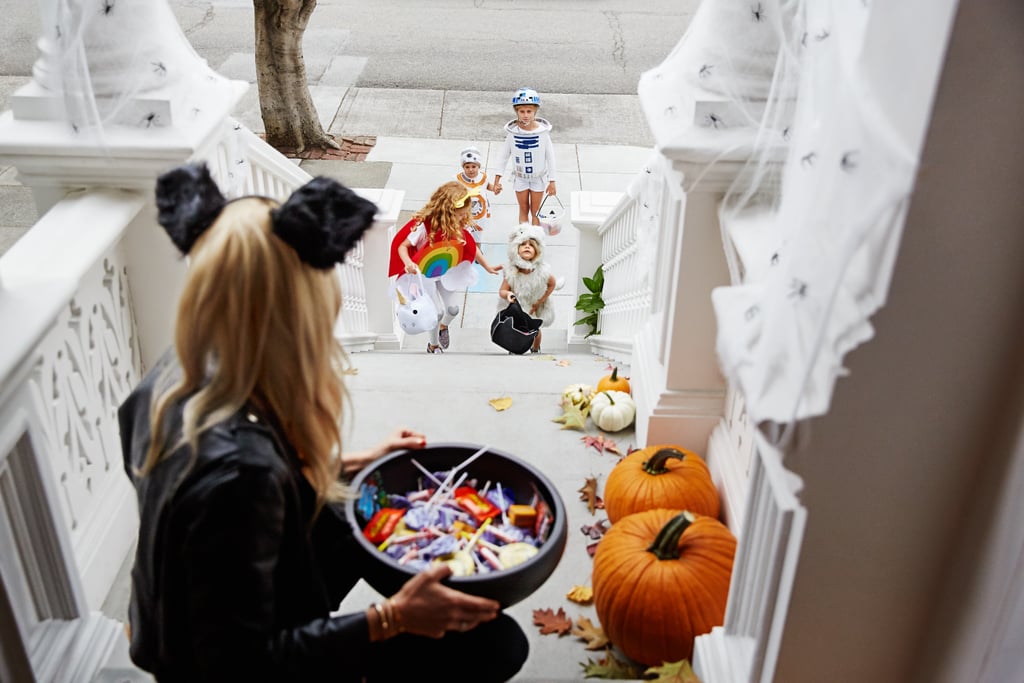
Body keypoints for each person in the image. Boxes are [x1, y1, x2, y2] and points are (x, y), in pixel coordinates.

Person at [119, 162, 529, 682]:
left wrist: (344, 464)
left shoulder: (167, 380)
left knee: (360, 501)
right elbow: (240, 667)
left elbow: (207, 521)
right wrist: (392, 618)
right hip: (218, 665)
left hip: (171, 621)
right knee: (496, 645)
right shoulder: (242, 479)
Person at [395, 181, 502, 354]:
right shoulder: (426, 226)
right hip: (425, 274)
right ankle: (433, 345)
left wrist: (487, 267)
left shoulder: (458, 225)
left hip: (445, 271)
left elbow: (471, 246)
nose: (462, 218)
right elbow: (402, 246)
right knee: (435, 312)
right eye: (459, 214)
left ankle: (443, 326)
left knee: (453, 309)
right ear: (448, 211)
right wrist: (408, 263)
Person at [492, 87, 557, 226]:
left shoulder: (543, 133)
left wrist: (552, 181)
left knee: (535, 211)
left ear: (535, 111)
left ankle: (534, 239)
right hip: (520, 178)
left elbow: (550, 157)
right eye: (522, 111)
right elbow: (504, 156)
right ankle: (524, 237)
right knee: (523, 209)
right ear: (517, 111)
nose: (526, 115)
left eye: (529, 111)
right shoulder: (513, 133)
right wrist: (497, 179)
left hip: (538, 178)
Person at [498, 223, 558, 354]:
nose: (527, 247)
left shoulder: (542, 271)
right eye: (523, 244)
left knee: (535, 330)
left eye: (531, 245)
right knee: (516, 328)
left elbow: (553, 283)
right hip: (518, 306)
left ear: (537, 251)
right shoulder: (512, 272)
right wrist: (507, 294)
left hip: (533, 305)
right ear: (516, 250)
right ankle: (514, 346)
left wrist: (541, 300)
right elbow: (502, 290)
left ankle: (535, 348)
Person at [454, 146, 493, 233]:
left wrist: (495, 188)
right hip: (463, 213)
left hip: (480, 212)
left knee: (478, 236)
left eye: (473, 166)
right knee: (464, 235)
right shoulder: (458, 179)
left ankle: (477, 246)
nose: (470, 170)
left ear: (478, 166)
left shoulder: (483, 177)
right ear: (463, 167)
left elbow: (487, 186)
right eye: (467, 167)